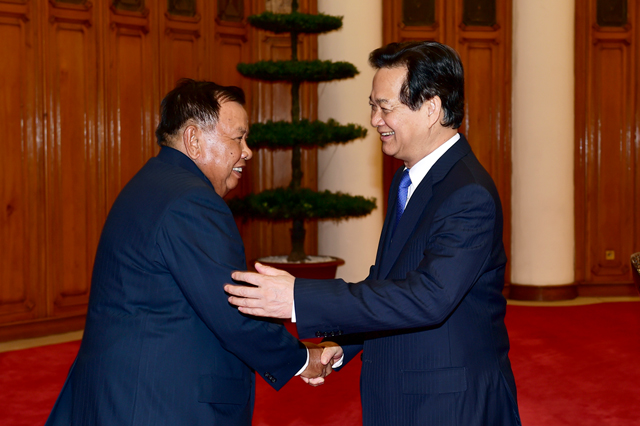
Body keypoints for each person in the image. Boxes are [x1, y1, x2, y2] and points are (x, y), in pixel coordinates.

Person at [225, 42, 522, 426]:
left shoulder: (467, 193)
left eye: (385, 107)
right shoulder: (410, 178)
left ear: (431, 108)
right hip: (407, 397)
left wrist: (299, 297)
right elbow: (390, 282)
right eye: (372, 106)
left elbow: (428, 297)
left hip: (450, 405)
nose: (374, 120)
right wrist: (344, 343)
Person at [45, 79, 332, 426]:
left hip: (122, 392)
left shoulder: (151, 182)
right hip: (159, 403)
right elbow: (233, 312)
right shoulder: (193, 201)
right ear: (194, 139)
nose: (247, 151)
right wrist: (304, 358)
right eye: (238, 138)